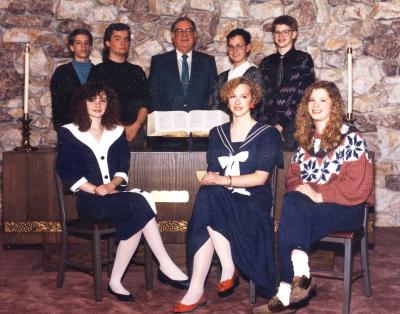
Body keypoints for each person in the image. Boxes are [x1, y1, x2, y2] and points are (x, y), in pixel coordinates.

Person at [57, 82, 189, 303]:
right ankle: (163, 265)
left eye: (103, 99)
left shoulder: (117, 131)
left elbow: (122, 167)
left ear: (109, 103)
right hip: (89, 201)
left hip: (115, 197)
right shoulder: (69, 132)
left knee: (138, 205)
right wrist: (95, 188)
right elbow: (67, 170)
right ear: (83, 103)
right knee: (140, 203)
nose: (98, 104)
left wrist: (110, 186)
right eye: (92, 100)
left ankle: (118, 280)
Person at [252, 81, 374, 314]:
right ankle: (299, 278)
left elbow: (358, 186)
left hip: (346, 209)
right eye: (312, 100)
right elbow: (293, 177)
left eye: (323, 100)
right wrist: (303, 189)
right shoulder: (306, 140)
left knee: (291, 215)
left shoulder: (351, 138)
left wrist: (320, 194)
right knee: (293, 204)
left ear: (334, 105)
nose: (316, 105)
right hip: (310, 209)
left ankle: (287, 291)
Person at [173, 77, 281, 313]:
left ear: (253, 101)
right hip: (221, 198)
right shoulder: (217, 133)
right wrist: (213, 179)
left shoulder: (267, 133)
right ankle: (224, 267)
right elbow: (214, 171)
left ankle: (198, 288)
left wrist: (224, 180)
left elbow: (260, 178)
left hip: (253, 201)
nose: (238, 101)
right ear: (227, 101)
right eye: (233, 97)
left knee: (208, 202)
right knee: (208, 193)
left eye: (244, 96)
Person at [88, 23, 150, 147]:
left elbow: (146, 103)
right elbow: (94, 104)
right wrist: (117, 128)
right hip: (106, 132)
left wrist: (136, 125)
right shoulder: (98, 71)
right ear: (107, 43)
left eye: (126, 39)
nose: (123, 43)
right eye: (117, 39)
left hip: (134, 133)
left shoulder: (137, 71)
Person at [259, 15, 315, 150]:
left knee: (289, 162)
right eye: (277, 32)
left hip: (293, 123)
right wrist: (269, 125)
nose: (281, 35)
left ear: (294, 34)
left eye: (286, 31)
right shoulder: (266, 63)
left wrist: (281, 124)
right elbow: (263, 95)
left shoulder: (303, 59)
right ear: (273, 36)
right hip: (269, 124)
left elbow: (302, 94)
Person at [149, 16, 217, 112]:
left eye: (189, 30)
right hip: (169, 123)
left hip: (199, 124)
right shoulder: (159, 62)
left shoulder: (208, 62)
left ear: (195, 35)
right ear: (173, 37)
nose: (184, 35)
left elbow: (214, 96)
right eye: (179, 31)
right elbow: (152, 97)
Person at [209, 28, 263, 118]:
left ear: (248, 48)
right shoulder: (221, 77)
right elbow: (214, 105)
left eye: (239, 46)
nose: (235, 50)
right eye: (231, 46)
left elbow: (256, 107)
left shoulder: (254, 75)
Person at [50, 29, 93, 130]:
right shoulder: (61, 72)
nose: (83, 46)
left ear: (90, 47)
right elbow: (58, 106)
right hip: (70, 127)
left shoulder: (99, 71)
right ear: (72, 47)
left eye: (86, 43)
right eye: (78, 43)